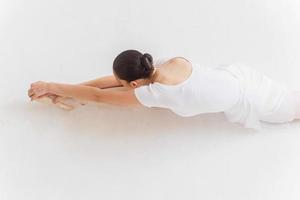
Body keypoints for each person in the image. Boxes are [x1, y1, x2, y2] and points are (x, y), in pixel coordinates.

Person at [28, 49, 300, 130]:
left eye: (122, 83)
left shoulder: (155, 93)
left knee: (293, 110)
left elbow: (101, 95)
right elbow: (105, 84)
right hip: (238, 79)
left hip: (251, 98)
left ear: (134, 83)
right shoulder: (166, 62)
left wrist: (52, 86)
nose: (116, 84)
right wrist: (69, 90)